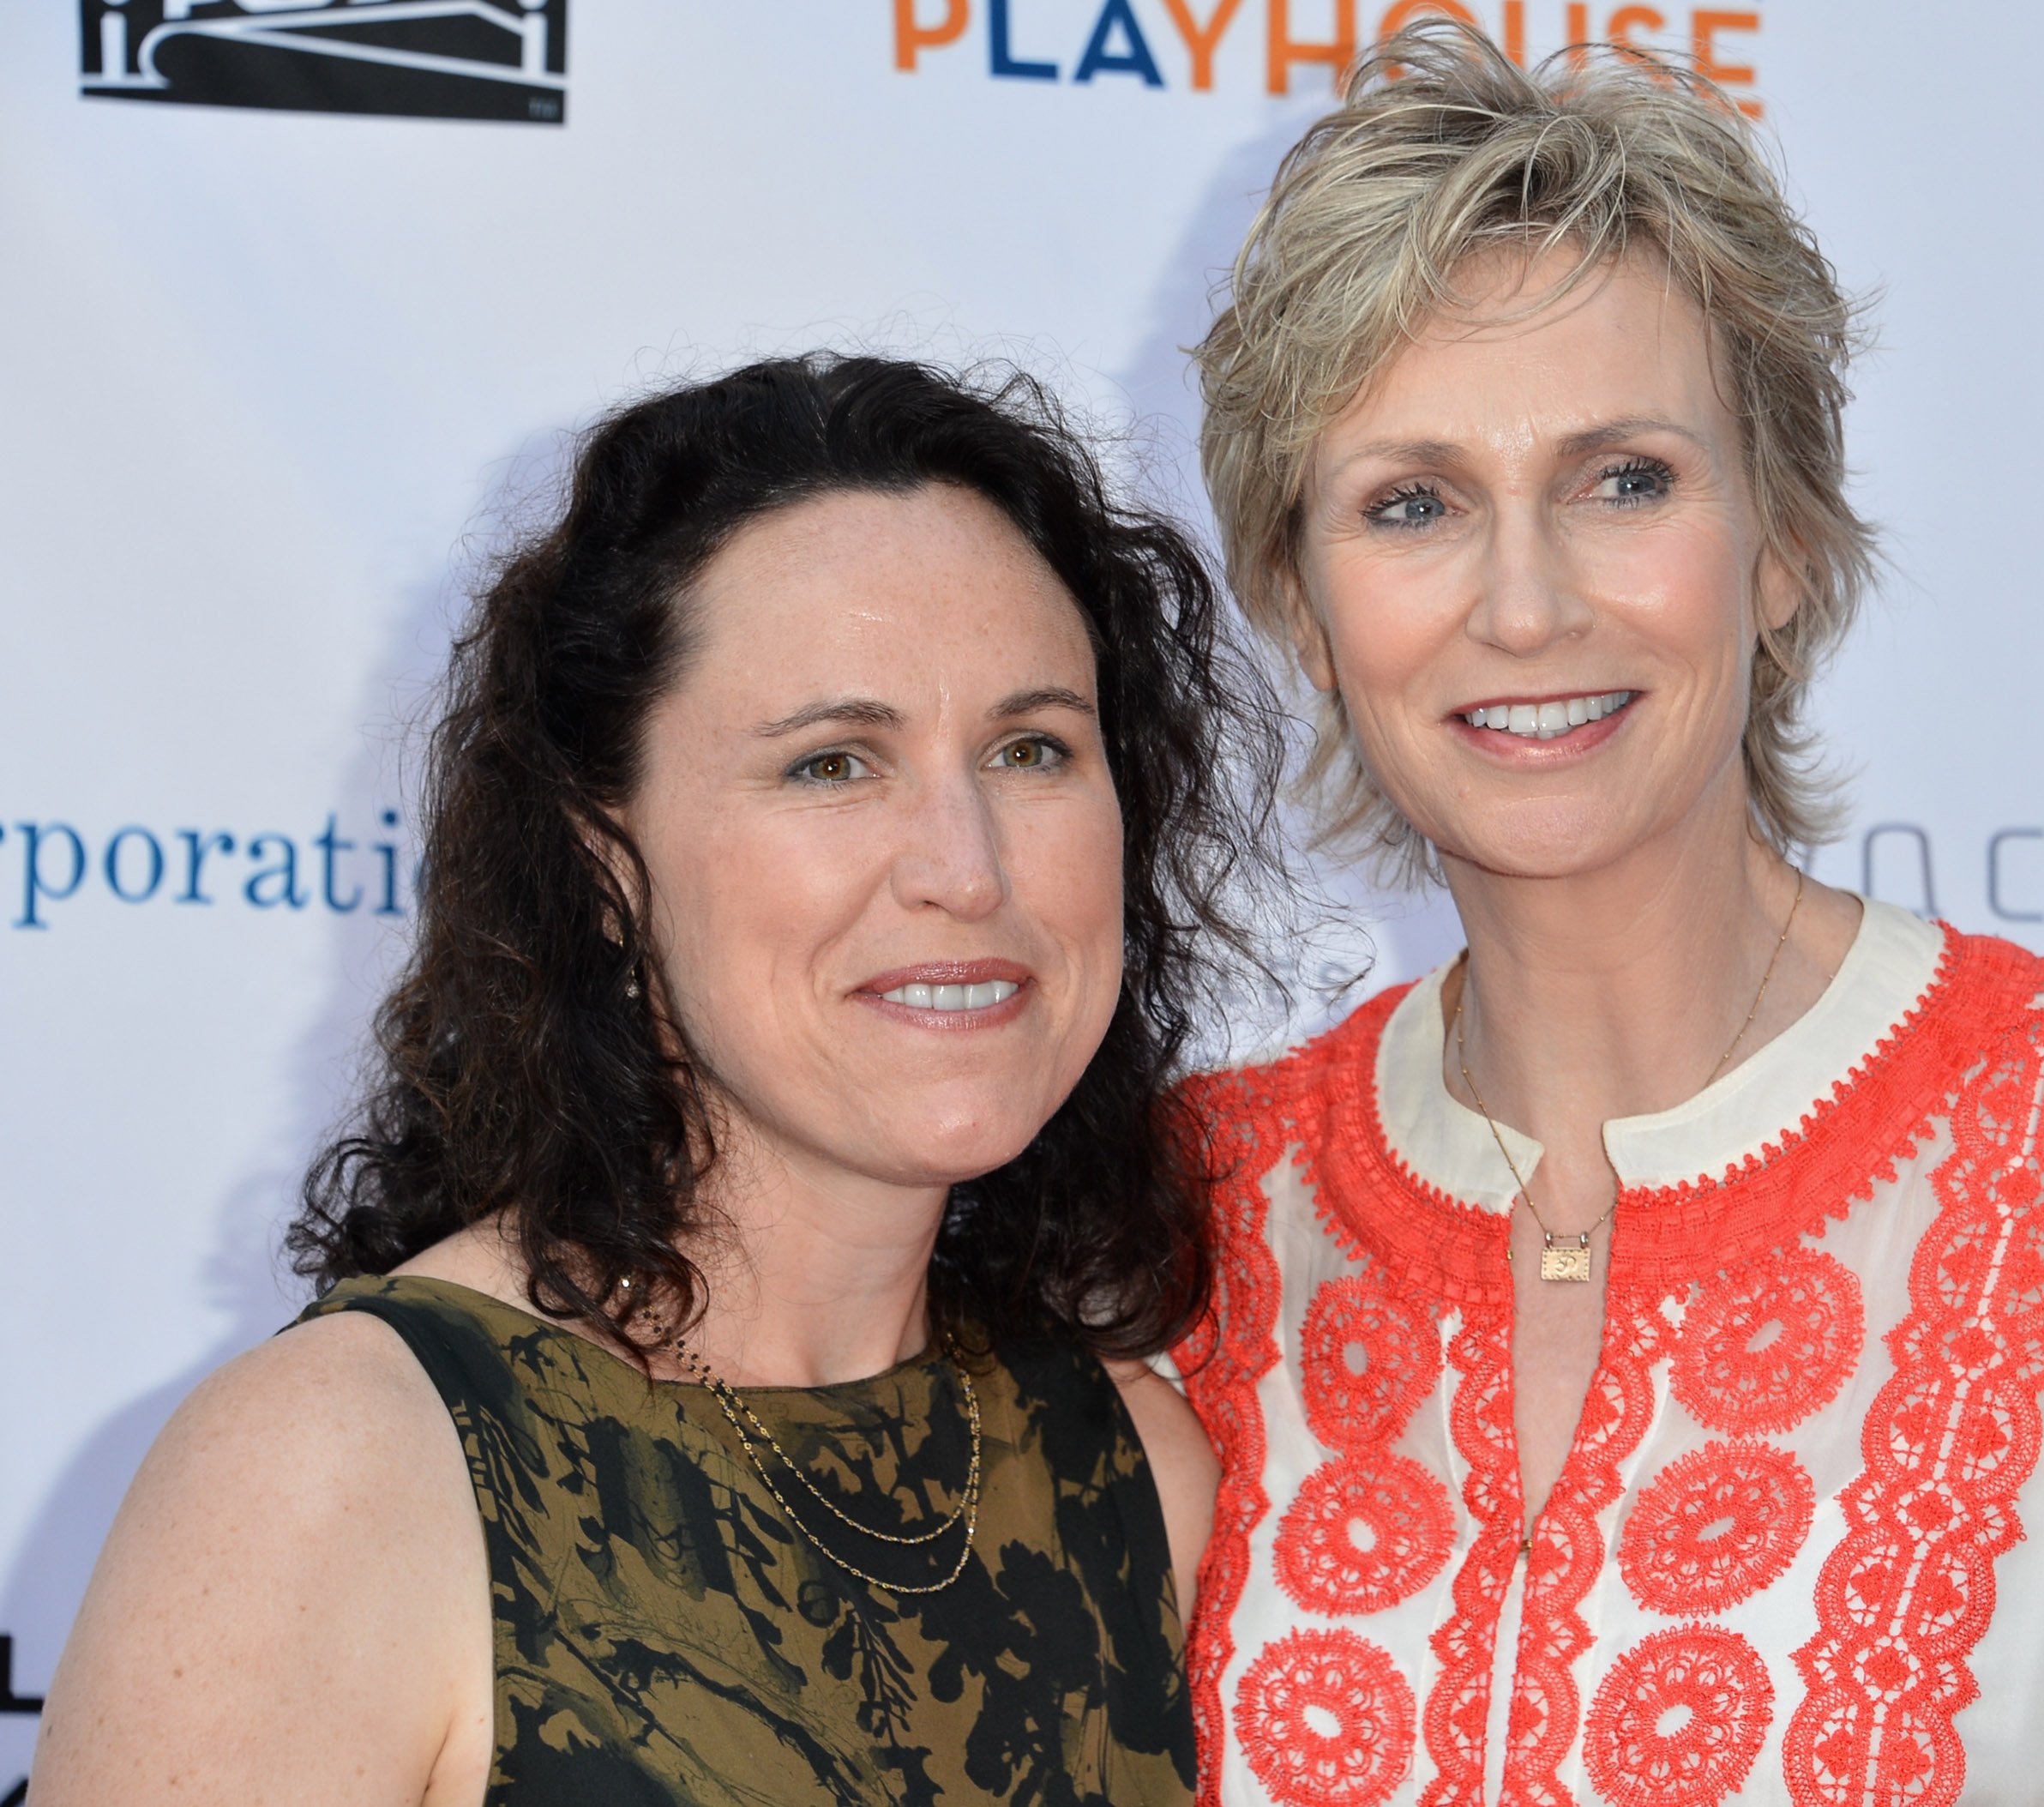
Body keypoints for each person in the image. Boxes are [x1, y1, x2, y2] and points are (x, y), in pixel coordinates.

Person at [1171, 24, 2044, 1807]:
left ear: (1782, 540)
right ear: (1303, 610)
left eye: (1625, 478)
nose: (1528, 603)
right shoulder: (1194, 1218)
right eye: (1415, 504)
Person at [33, 353, 1291, 1805]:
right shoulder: (345, 1475)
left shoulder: (1132, 1472)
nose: (968, 866)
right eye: (832, 764)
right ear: (603, 858)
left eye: (1030, 748)